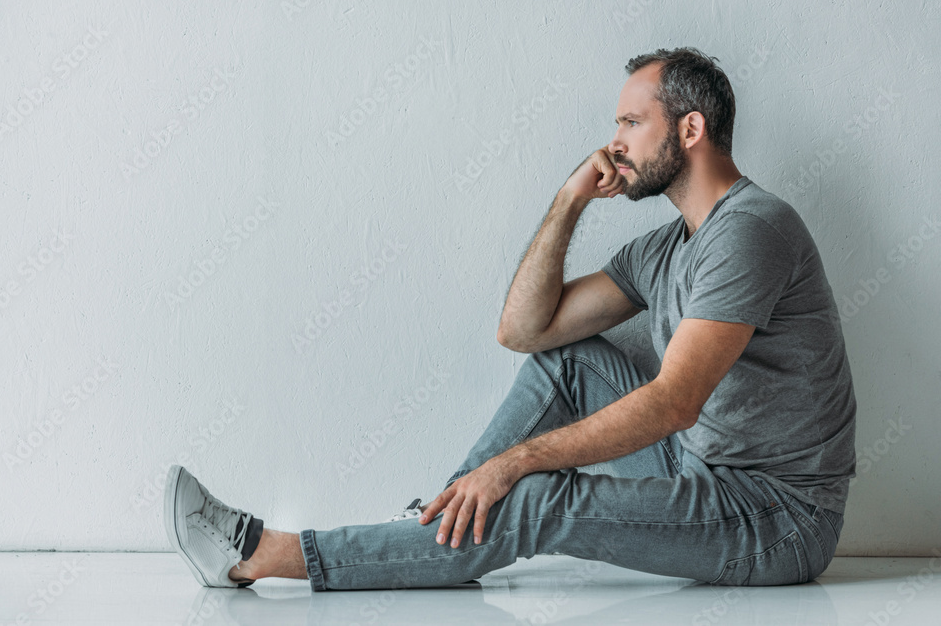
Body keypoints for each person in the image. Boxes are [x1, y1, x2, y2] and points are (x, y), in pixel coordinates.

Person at [163, 47, 857, 592]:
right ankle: (442, 531)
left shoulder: (750, 230)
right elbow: (526, 332)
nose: (615, 142)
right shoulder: (668, 246)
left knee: (535, 497)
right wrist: (570, 199)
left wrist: (513, 462)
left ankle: (260, 555)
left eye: (630, 123)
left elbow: (676, 401)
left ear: (691, 128)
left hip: (778, 516)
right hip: (702, 462)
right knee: (569, 362)